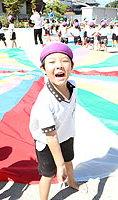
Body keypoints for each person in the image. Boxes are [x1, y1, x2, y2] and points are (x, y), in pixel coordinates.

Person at [29, 42, 87, 200]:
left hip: (66, 134)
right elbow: (51, 136)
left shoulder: (73, 86)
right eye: (52, 62)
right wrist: (59, 165)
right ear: (43, 69)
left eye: (64, 60)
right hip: (46, 142)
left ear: (72, 65)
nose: (59, 65)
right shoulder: (44, 101)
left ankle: (72, 182)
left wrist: (63, 163)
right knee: (48, 174)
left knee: (69, 161)